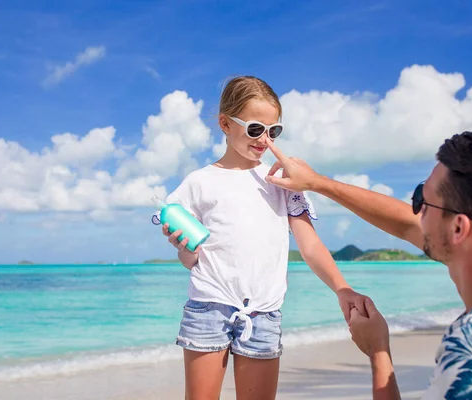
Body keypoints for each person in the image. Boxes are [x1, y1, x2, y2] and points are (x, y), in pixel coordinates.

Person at [263, 130, 472, 399]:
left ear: (458, 229)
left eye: (422, 200)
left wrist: (378, 351)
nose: (415, 210)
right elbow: (406, 224)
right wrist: (316, 183)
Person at [152, 76, 368, 400]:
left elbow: (309, 245)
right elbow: (190, 261)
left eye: (274, 131)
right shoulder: (198, 183)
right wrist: (184, 248)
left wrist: (342, 288)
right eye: (255, 129)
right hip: (209, 308)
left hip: (264, 315)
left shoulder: (282, 182)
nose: (265, 140)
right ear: (225, 123)